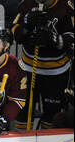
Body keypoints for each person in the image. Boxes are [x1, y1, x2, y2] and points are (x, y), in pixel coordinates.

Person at [12, 0, 73, 129]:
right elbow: (15, 32)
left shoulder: (65, 6)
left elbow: (72, 35)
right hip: (28, 68)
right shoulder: (26, 4)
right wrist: (26, 26)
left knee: (52, 114)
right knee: (23, 112)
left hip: (56, 73)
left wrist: (55, 39)